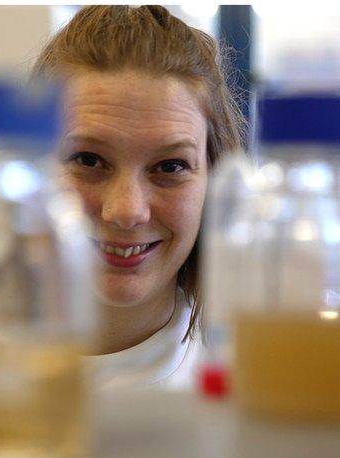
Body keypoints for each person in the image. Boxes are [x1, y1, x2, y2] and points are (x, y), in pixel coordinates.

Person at [32, 5, 247, 390]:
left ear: (214, 184)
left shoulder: (252, 383)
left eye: (170, 166)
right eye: (87, 159)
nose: (126, 211)